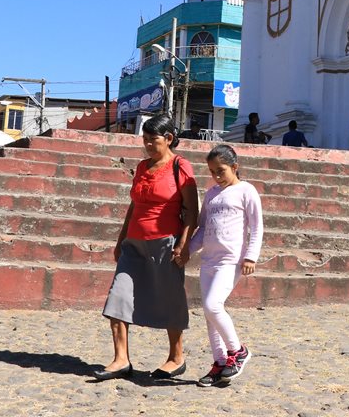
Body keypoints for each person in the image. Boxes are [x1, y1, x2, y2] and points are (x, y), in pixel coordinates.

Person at [94, 113, 199, 381]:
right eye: (145, 139)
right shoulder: (142, 167)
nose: (148, 145)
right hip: (134, 244)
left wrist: (184, 244)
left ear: (169, 139)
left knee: (169, 299)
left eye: (153, 140)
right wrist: (120, 240)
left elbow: (191, 211)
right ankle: (121, 359)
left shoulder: (180, 166)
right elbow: (134, 206)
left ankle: (176, 357)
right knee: (118, 297)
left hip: (165, 244)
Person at [188, 145, 264, 387]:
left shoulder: (246, 190)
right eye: (212, 172)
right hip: (209, 260)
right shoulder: (211, 194)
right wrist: (185, 252)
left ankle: (238, 351)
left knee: (213, 306)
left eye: (220, 171)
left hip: (231, 260)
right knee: (210, 316)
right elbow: (202, 231)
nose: (216, 176)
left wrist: (251, 256)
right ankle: (220, 363)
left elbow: (257, 227)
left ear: (235, 167)